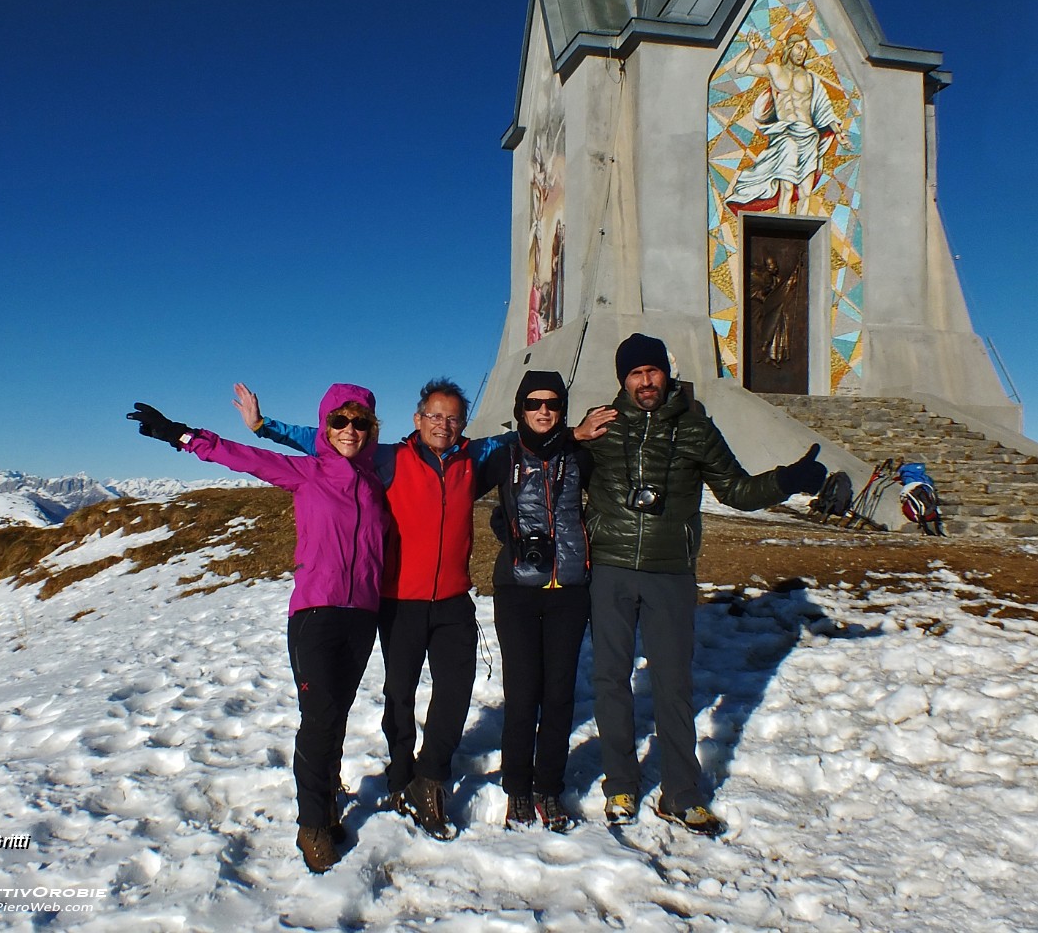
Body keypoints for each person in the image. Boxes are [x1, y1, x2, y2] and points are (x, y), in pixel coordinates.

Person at [127, 386, 389, 875]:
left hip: (363, 615)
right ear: (325, 429)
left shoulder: (377, 481)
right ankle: (312, 824)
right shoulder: (307, 472)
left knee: (337, 715)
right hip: (315, 613)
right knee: (319, 718)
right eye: (340, 422)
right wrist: (179, 434)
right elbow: (240, 457)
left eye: (360, 423)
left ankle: (327, 797)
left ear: (372, 429)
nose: (350, 430)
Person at [574, 334, 826, 836]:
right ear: (622, 379)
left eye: (653, 371)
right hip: (611, 566)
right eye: (635, 374)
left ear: (666, 373)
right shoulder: (601, 424)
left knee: (673, 684)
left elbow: (735, 490)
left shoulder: (695, 428)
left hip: (670, 571)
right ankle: (620, 784)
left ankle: (682, 792)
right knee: (610, 679)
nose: (645, 382)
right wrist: (575, 436)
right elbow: (552, 465)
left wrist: (787, 479)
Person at [235, 377, 508, 840]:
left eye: (453, 417)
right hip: (398, 598)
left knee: (456, 690)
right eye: (434, 416)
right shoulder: (390, 456)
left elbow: (522, 437)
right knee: (399, 695)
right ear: (417, 419)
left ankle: (431, 777)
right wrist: (263, 426)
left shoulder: (472, 457)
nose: (443, 424)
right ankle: (400, 776)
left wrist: (573, 433)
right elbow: (325, 435)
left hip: (453, 599)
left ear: (463, 423)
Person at [481, 370, 591, 834]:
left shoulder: (580, 453)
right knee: (523, 692)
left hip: (570, 587)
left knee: (560, 693)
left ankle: (549, 785)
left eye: (552, 403)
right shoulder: (503, 455)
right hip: (518, 591)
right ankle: (517, 788)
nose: (543, 411)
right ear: (519, 409)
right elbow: (450, 472)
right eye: (533, 403)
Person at [726, 31, 851, 215]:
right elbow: (741, 69)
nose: (803, 53)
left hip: (809, 137)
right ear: (789, 48)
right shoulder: (774, 70)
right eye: (799, 48)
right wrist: (750, 51)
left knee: (805, 192)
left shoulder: (811, 79)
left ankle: (802, 234)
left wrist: (839, 135)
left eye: (806, 50)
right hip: (785, 135)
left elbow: (825, 112)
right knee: (787, 188)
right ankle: (782, 230)